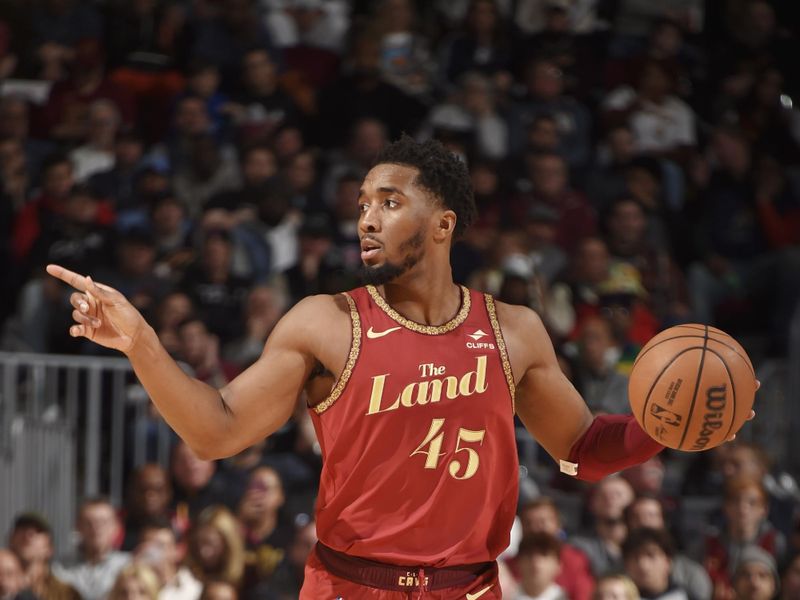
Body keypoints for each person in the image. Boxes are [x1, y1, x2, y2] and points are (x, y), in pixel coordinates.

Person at [46, 136, 754, 599]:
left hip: (468, 588)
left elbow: (581, 449)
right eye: (362, 205)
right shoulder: (326, 322)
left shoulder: (513, 332)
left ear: (444, 222)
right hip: (348, 586)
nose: (367, 219)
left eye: (390, 202)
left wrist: (666, 429)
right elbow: (217, 432)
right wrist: (140, 342)